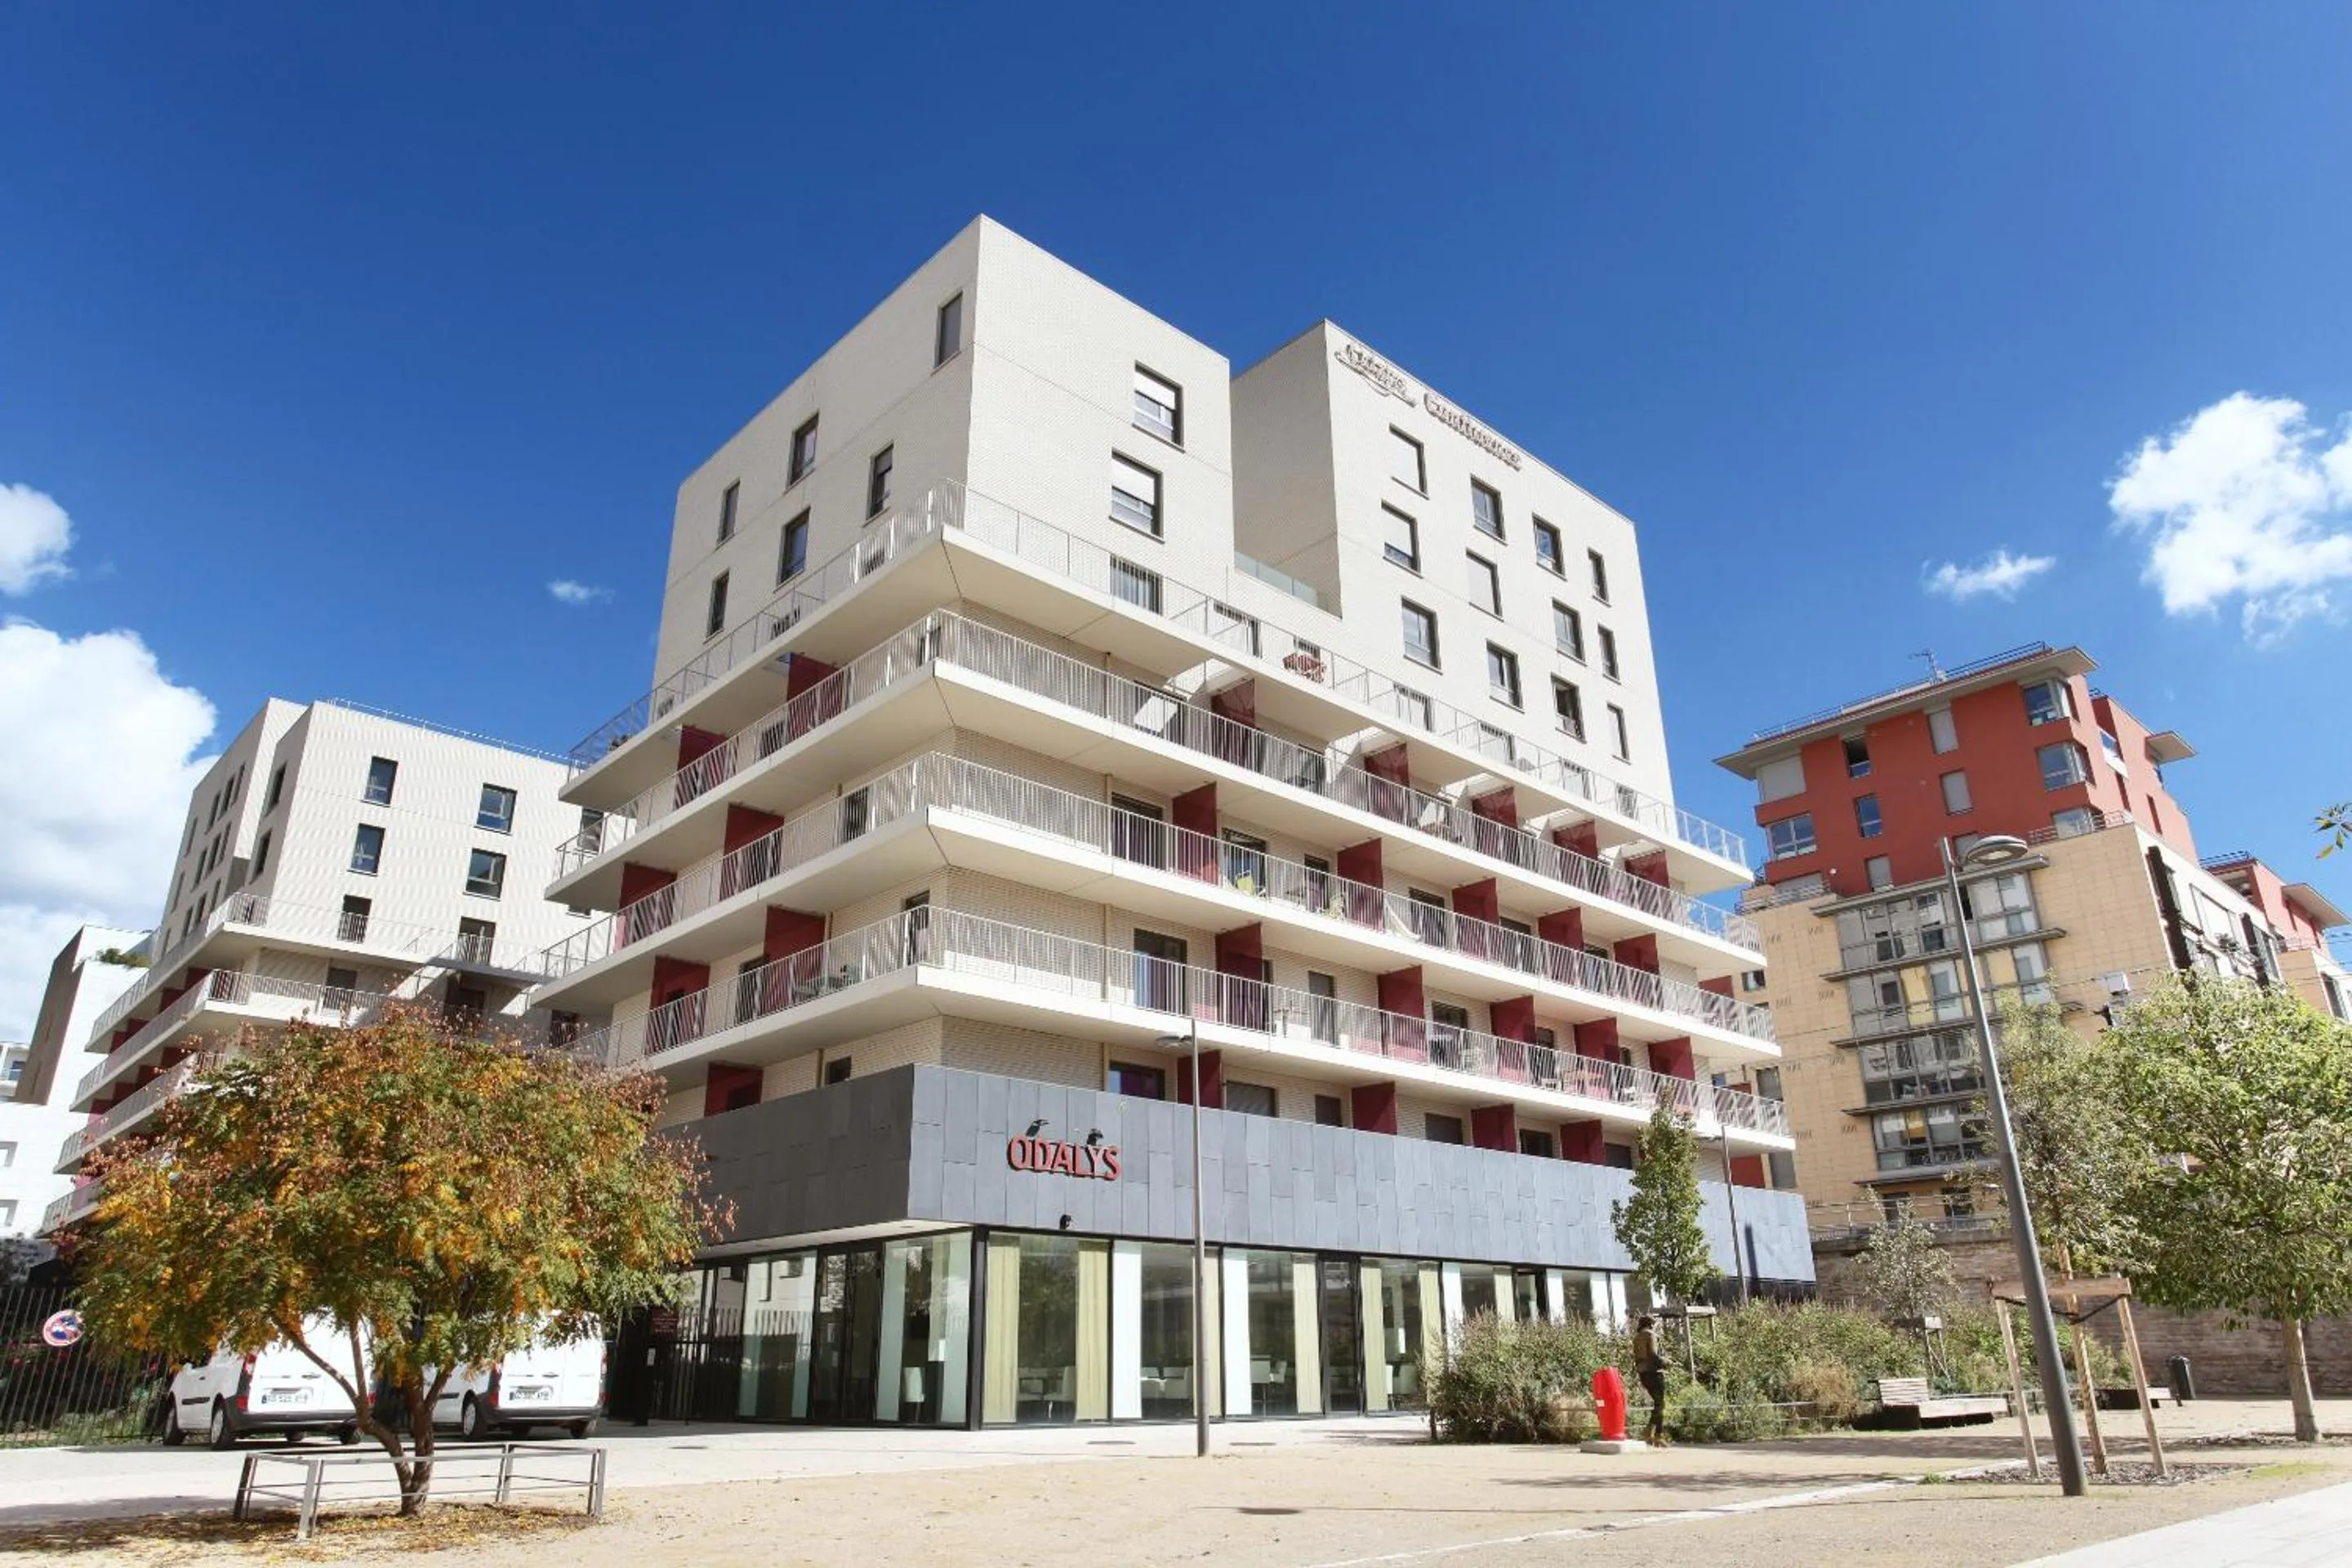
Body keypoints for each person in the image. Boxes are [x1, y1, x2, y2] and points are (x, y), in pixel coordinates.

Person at [1632, 1314, 1667, 1446]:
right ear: (1651, 1324)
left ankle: (1652, 1434)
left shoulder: (1637, 1337)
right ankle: (1656, 1435)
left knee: (1658, 1403)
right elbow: (1653, 1354)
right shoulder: (1651, 1335)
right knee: (1660, 1404)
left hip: (1643, 1373)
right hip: (1653, 1372)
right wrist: (1665, 1362)